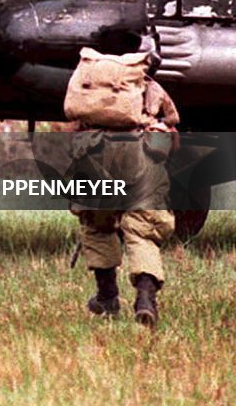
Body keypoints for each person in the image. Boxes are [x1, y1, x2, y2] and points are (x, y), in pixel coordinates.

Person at [65, 40, 179, 328]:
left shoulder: (87, 80)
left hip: (94, 155)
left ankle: (107, 296)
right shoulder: (150, 87)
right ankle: (145, 298)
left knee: (96, 225)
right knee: (142, 230)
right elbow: (173, 123)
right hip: (139, 158)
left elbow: (73, 124)